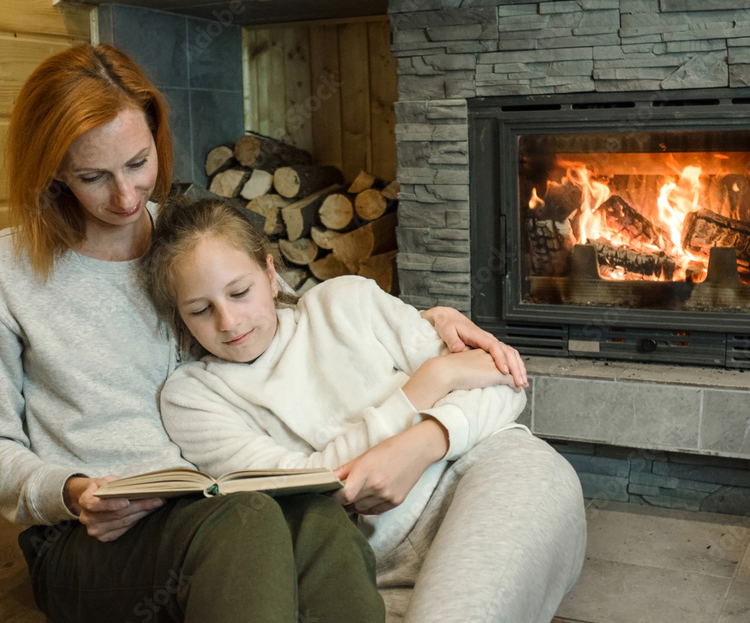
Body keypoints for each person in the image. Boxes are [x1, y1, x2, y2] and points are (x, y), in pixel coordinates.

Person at [0, 43, 527, 623]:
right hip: (92, 536)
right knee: (248, 520)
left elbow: (278, 311)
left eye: (138, 163)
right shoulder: (0, 274)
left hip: (218, 492)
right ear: (51, 169)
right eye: (92, 177)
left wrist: (428, 323)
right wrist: (71, 491)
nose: (126, 197)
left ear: (157, 138)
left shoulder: (178, 233)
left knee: (320, 518)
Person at [144, 197, 588, 623]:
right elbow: (306, 488)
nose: (229, 322)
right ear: (179, 315)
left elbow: (504, 382)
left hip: (491, 479)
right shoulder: (193, 399)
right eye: (201, 310)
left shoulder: (346, 302)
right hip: (375, 568)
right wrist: (429, 384)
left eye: (240, 292)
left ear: (269, 270)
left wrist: (425, 442)